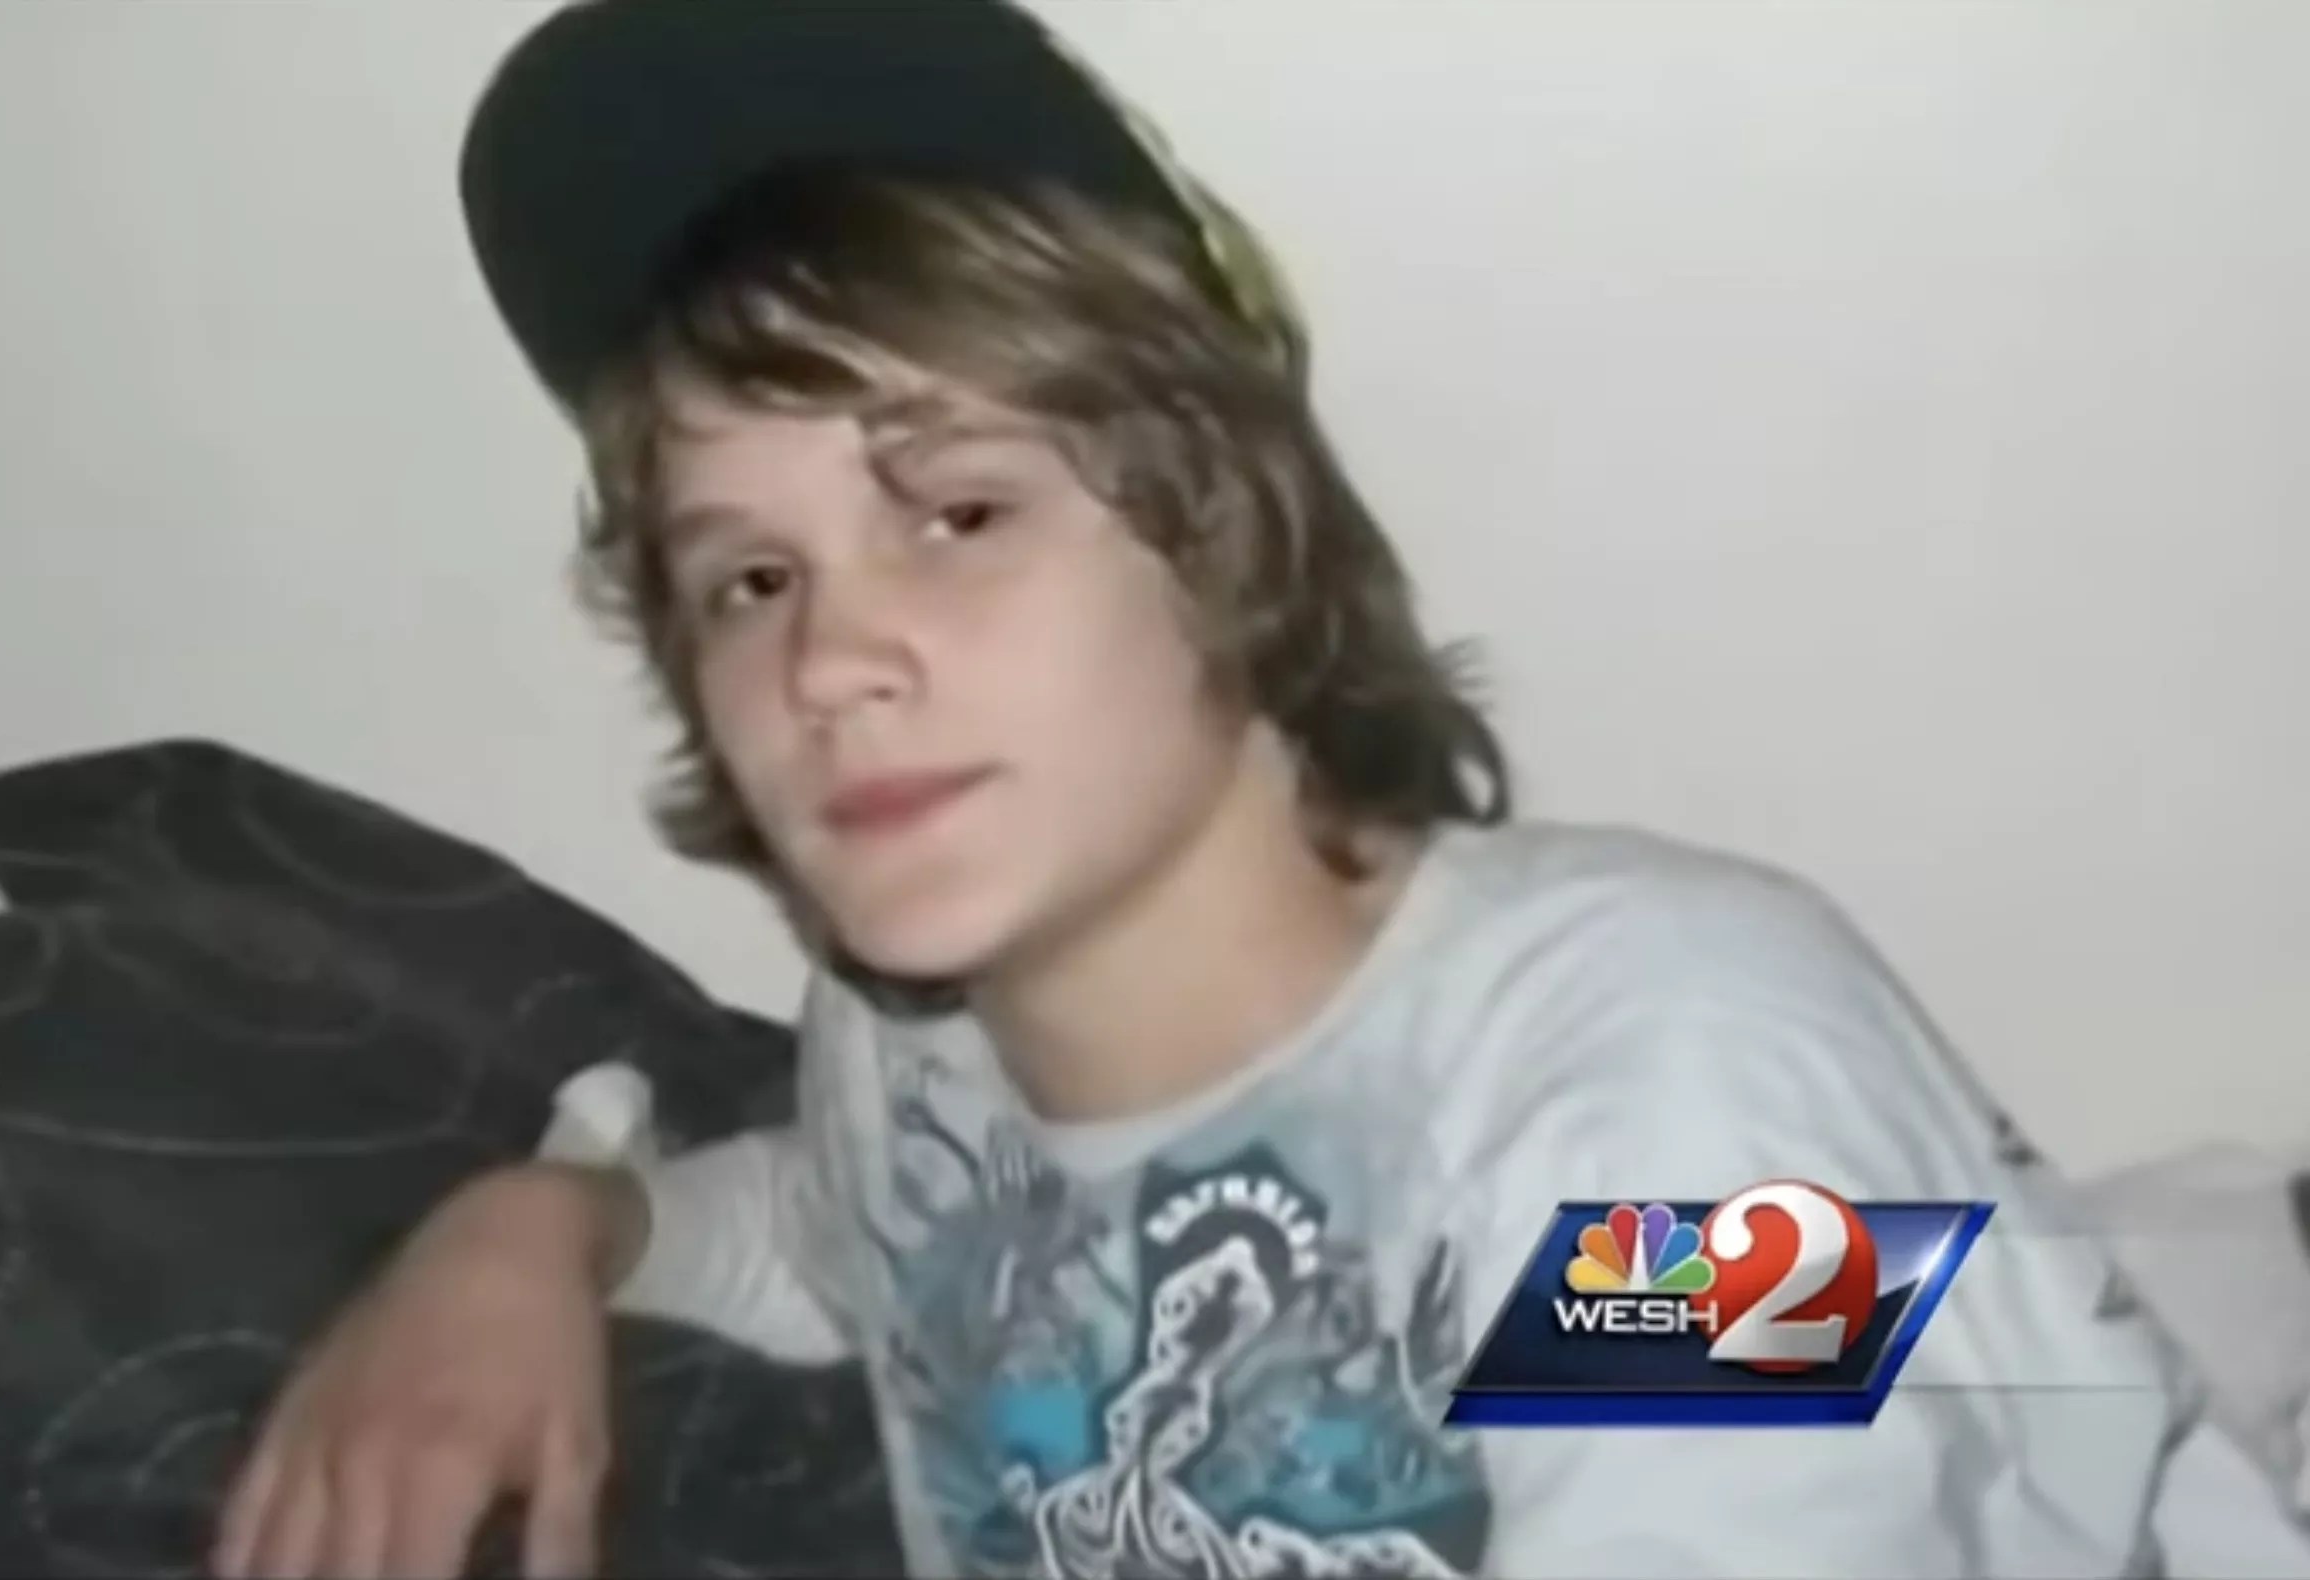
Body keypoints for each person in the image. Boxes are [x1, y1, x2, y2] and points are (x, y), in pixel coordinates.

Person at [212, 2, 2310, 1576]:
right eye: (743, 576)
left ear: (1219, 534)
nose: (821, 655)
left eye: (952, 509)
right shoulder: (910, 1067)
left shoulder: (1653, 1061)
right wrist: (532, 1228)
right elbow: (828, 1236)